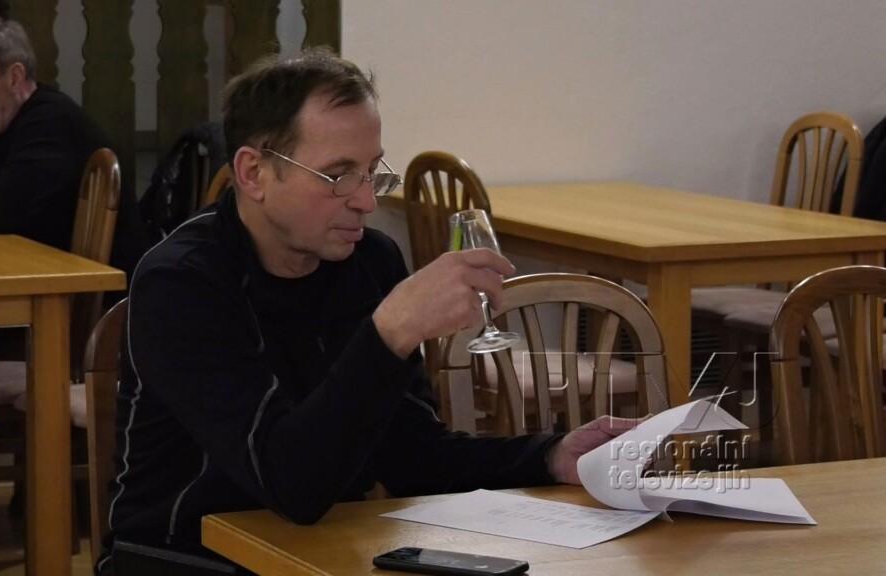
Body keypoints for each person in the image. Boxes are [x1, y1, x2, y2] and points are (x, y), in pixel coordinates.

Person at [101, 47, 636, 575]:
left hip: (321, 553)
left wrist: (550, 455)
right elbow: (290, 485)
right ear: (254, 173)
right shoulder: (182, 283)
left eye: (371, 172)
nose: (366, 201)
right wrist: (391, 330)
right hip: (183, 560)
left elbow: (411, 457)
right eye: (338, 176)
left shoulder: (369, 260)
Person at [0, 17, 147, 362]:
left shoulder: (50, 121)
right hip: (24, 296)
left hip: (82, 320)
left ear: (14, 77)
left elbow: (6, 212)